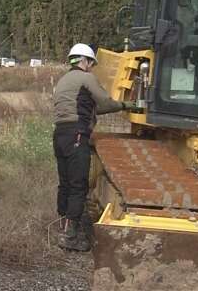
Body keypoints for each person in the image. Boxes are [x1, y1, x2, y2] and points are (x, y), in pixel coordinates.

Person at [53, 44, 137, 251]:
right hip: (77, 134)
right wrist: (127, 105)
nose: (92, 67)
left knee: (65, 183)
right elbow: (106, 102)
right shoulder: (86, 78)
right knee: (78, 185)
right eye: (91, 63)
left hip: (61, 134)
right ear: (85, 61)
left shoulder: (64, 80)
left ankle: (62, 227)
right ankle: (70, 236)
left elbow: (89, 108)